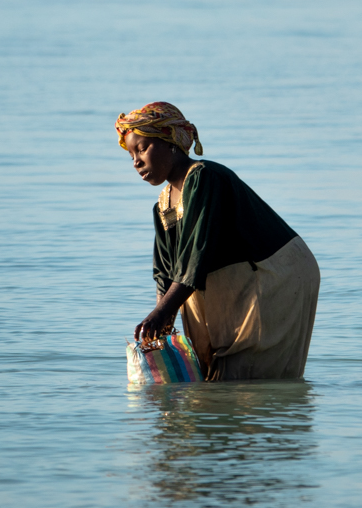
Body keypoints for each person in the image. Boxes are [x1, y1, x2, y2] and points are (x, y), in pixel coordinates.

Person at [116, 102, 319, 381]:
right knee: (211, 372)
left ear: (171, 141)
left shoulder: (204, 177)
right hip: (232, 280)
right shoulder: (162, 206)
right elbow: (165, 273)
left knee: (244, 375)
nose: (136, 161)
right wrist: (160, 322)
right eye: (130, 155)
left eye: (143, 148)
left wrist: (163, 313)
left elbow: (196, 255)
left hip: (273, 274)